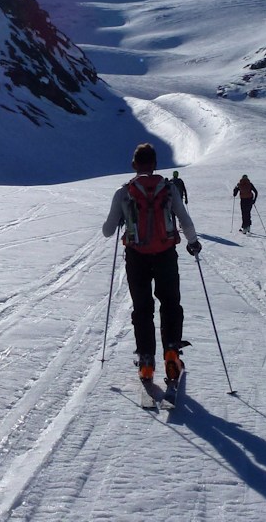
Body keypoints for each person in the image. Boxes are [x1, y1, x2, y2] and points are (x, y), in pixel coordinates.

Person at [103, 143, 202, 384]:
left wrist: (120, 220)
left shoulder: (124, 192)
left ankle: (146, 362)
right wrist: (193, 243)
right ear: (155, 163)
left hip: (137, 257)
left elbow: (107, 231)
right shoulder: (168, 188)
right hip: (166, 254)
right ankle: (171, 353)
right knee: (170, 304)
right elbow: (184, 219)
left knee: (142, 308)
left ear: (134, 164)